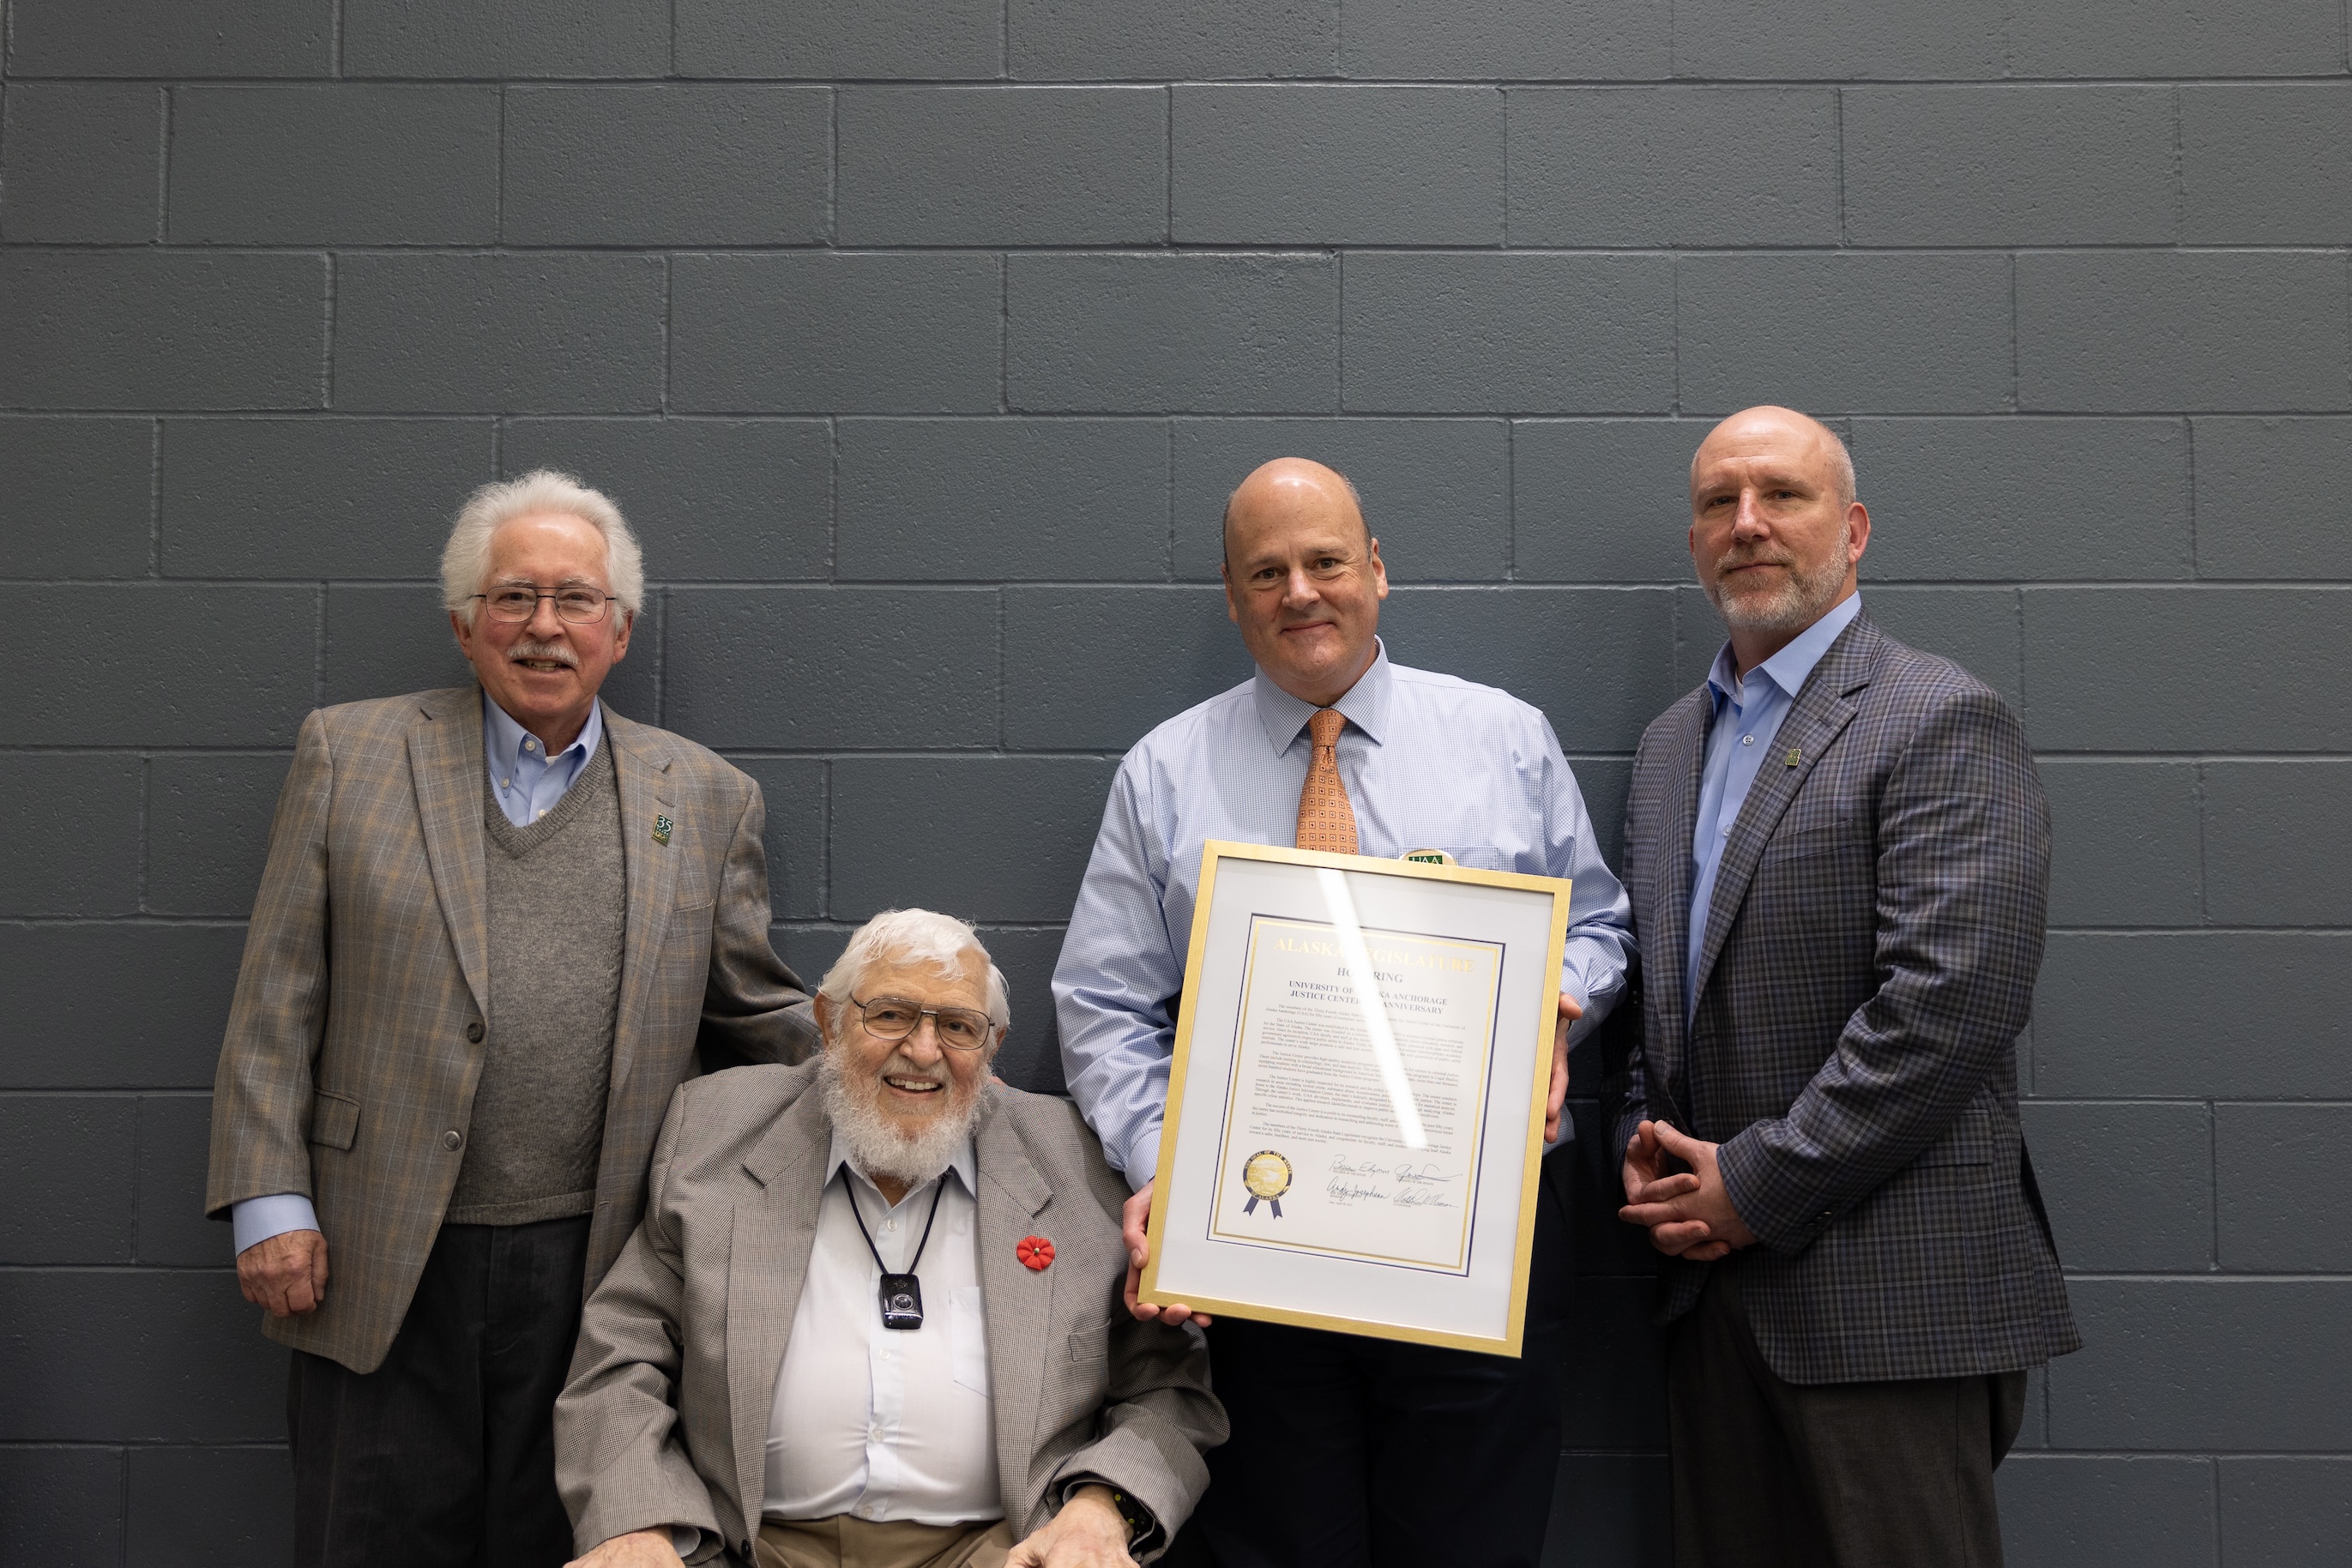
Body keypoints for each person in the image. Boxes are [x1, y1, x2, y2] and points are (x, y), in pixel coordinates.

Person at [205, 470, 822, 1566]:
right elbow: (275, 999)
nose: (545, 626)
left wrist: (920, 1082)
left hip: (600, 1267)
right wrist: (269, 1199)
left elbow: (760, 1015)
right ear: (463, 621)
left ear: (620, 630)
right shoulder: (351, 755)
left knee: (574, 1544)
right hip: (373, 1250)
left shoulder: (708, 795)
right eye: (514, 598)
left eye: (576, 599)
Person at [1052, 458, 1636, 1568]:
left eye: (1324, 561)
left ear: (1375, 569)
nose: (1299, 592)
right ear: (1232, 595)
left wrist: (1556, 1007)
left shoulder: (1500, 739)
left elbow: (1600, 927)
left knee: (1473, 1543)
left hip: (1476, 1229)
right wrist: (1165, 1168)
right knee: (1277, 1545)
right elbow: (1104, 1005)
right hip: (1257, 1241)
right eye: (1265, 572)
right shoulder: (1165, 774)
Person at [1613, 407, 2079, 1566]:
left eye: (1783, 495)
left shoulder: (1936, 717)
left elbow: (1946, 1006)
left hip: (1885, 1309)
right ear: (1692, 543)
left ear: (1854, 529)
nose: (1747, 524)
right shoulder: (1673, 746)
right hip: (1709, 1310)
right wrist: (1645, 1142)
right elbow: (1656, 994)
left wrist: (1751, 1187)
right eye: (1718, 502)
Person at [553, 908, 1224, 1568]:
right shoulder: (716, 1136)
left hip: (1005, 1549)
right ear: (829, 1022)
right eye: (892, 1015)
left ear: (990, 1047)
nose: (924, 1051)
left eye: (958, 1027)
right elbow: (620, 1354)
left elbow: (1169, 1387)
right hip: (754, 1547)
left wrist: (1101, 1508)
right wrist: (637, 1524)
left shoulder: (1075, 1165)